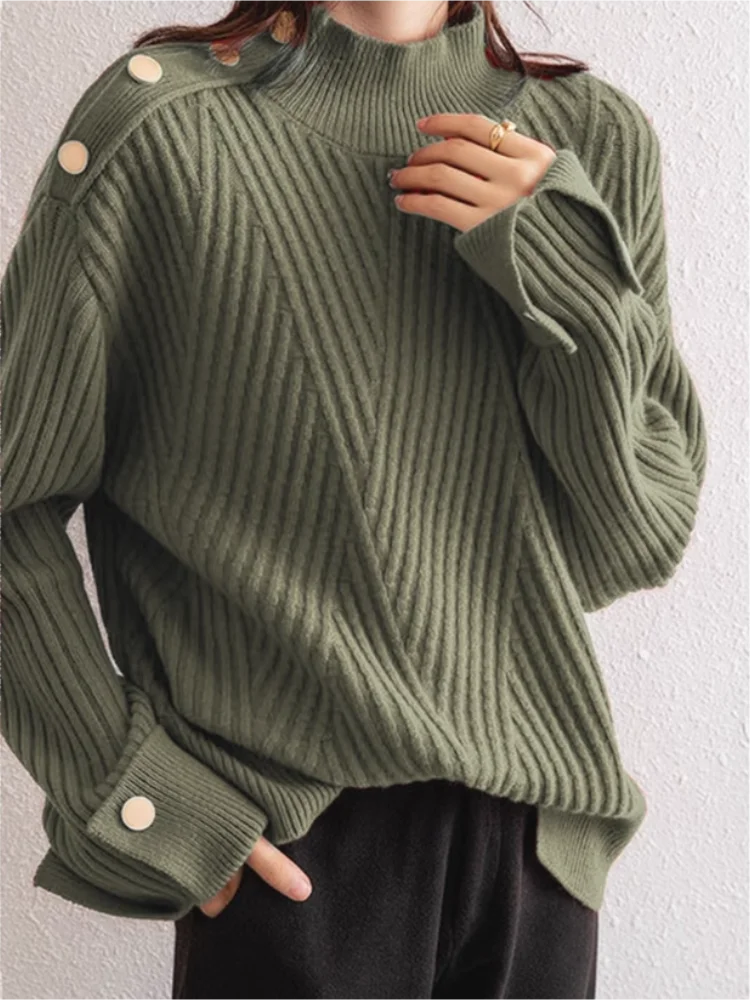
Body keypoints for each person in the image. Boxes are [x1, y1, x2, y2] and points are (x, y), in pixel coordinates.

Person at [0, 0, 708, 996]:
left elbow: (632, 539)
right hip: (293, 856)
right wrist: (141, 800)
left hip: (538, 853)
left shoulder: (589, 137)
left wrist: (564, 270)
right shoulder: (160, 131)